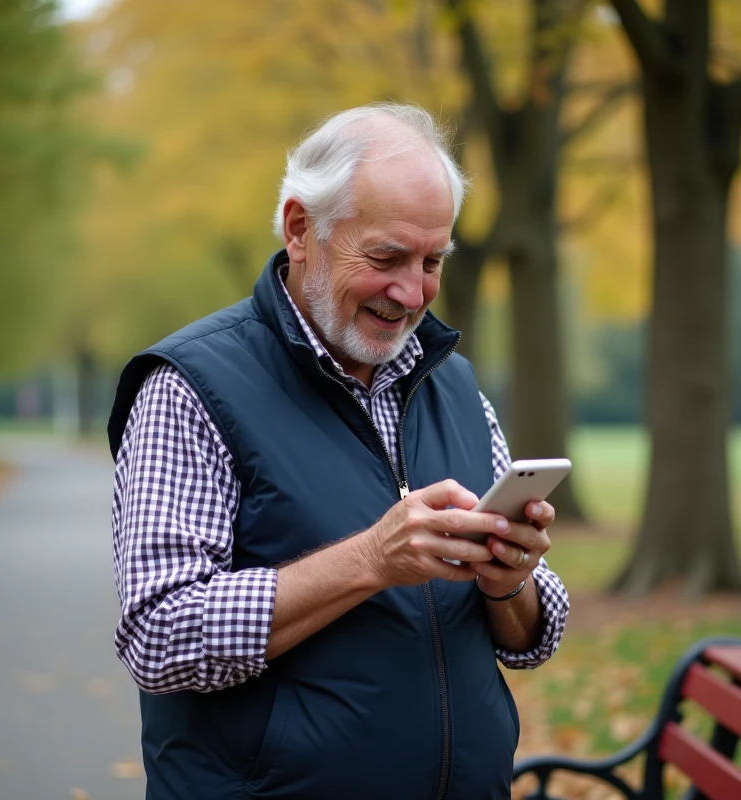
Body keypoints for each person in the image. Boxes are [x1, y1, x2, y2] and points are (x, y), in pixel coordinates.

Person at [107, 103, 570, 800]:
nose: (411, 292)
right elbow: (159, 636)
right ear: (300, 229)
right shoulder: (190, 387)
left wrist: (509, 576)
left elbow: (533, 637)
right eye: (385, 257)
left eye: (432, 262)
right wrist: (371, 560)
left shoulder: (455, 384)